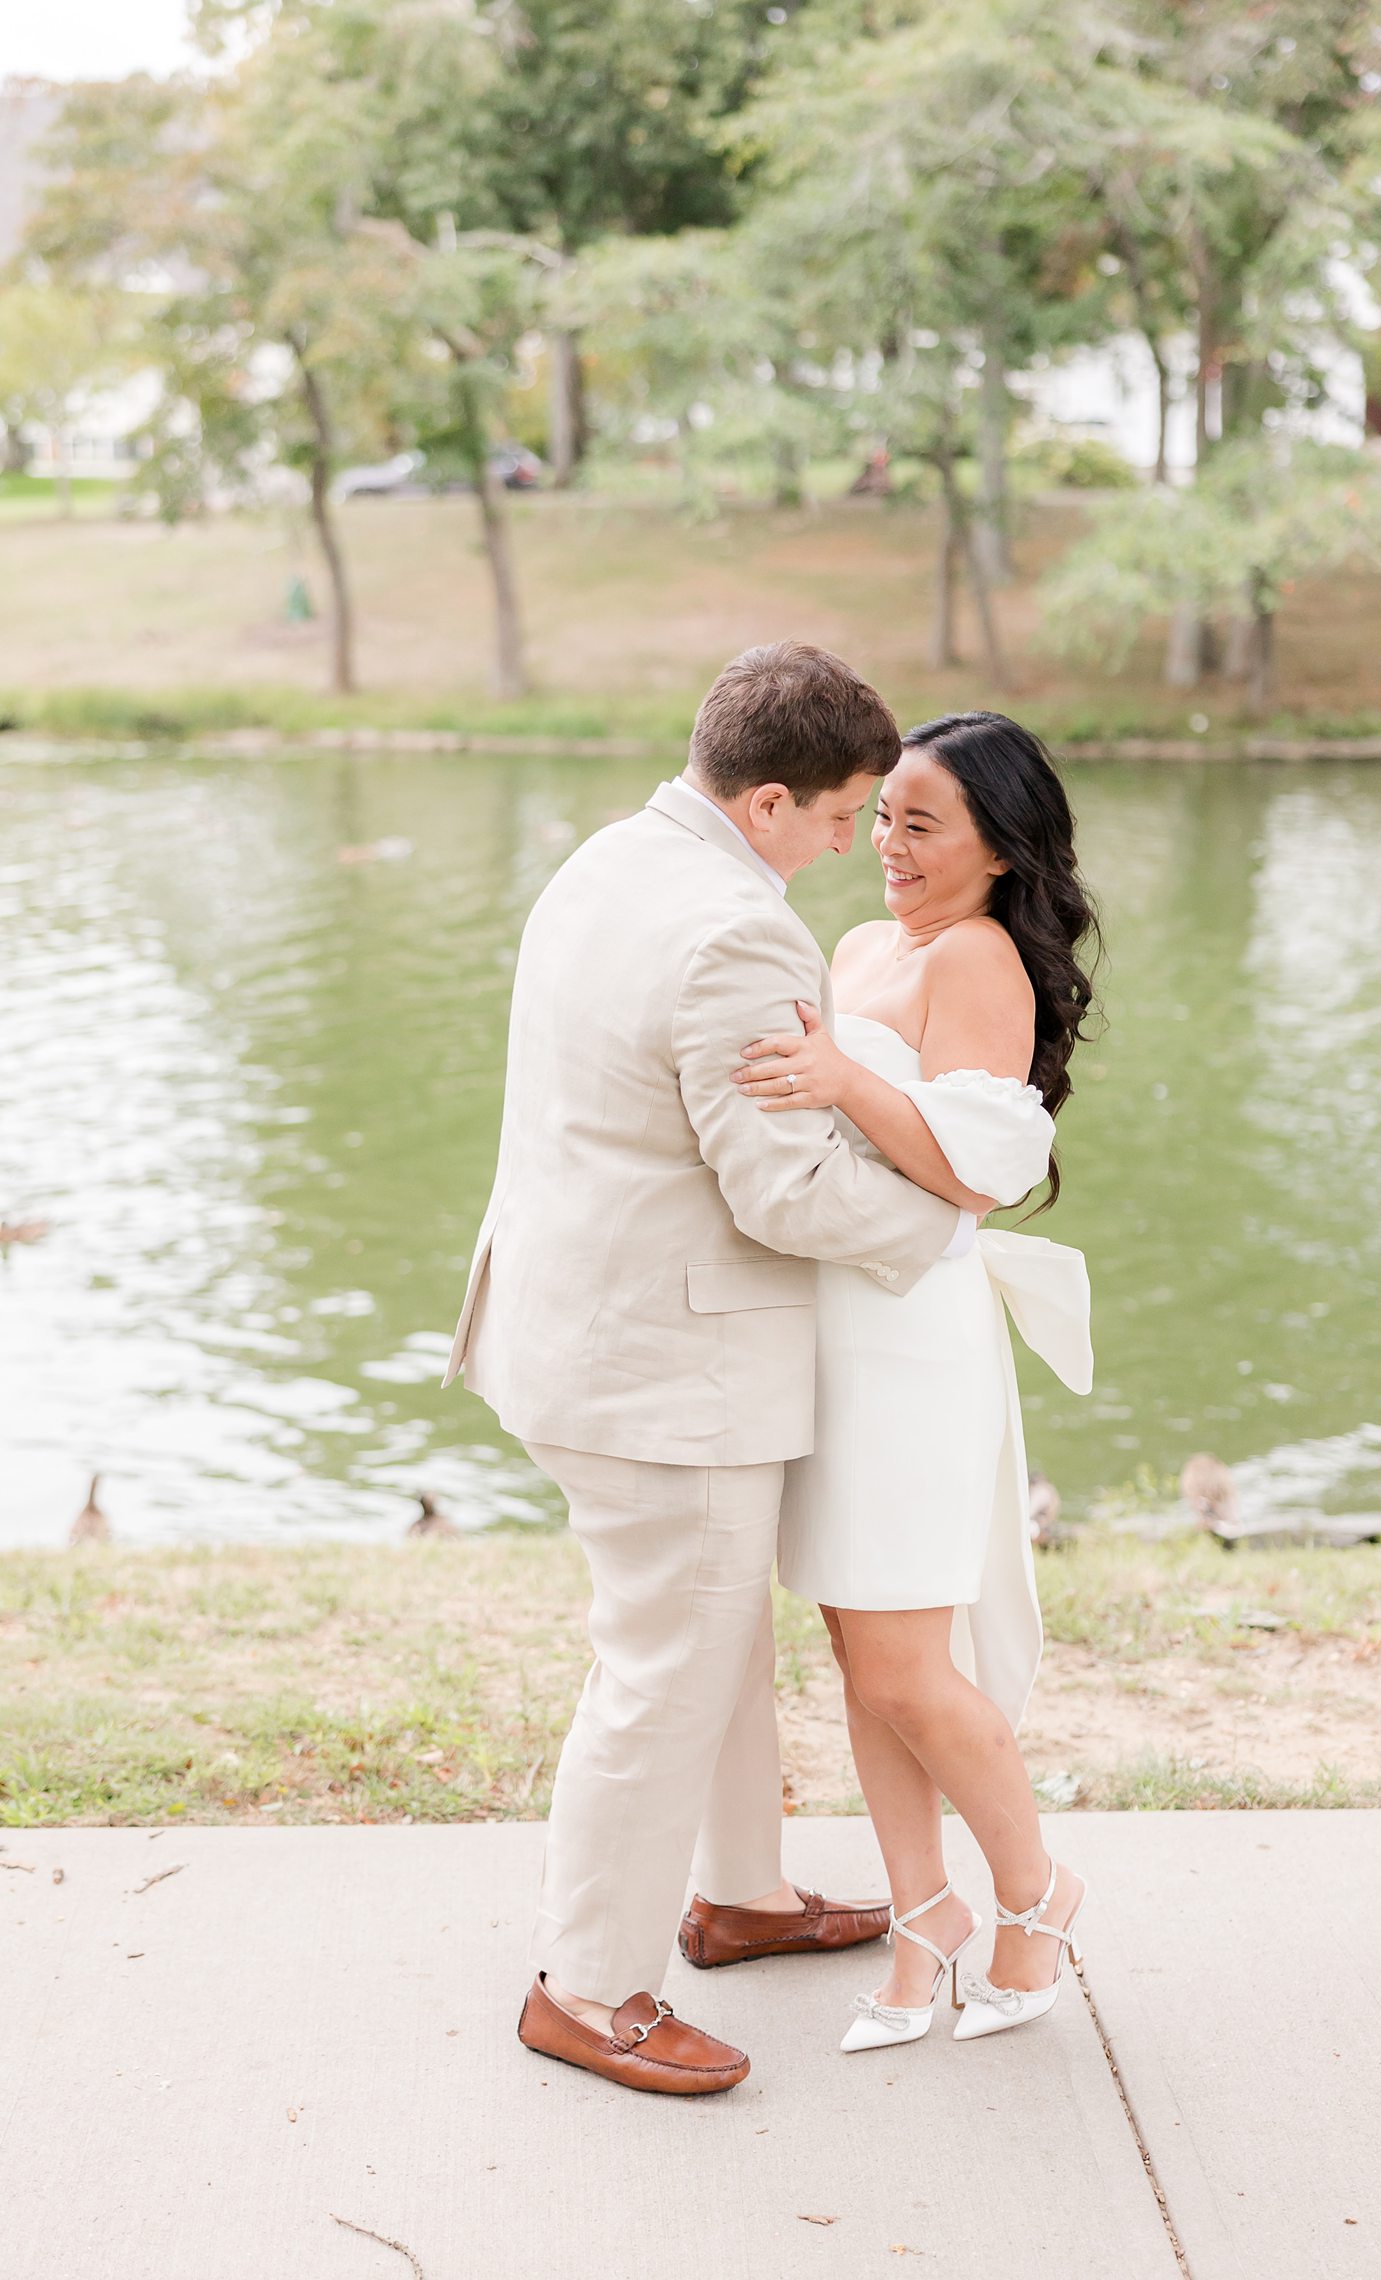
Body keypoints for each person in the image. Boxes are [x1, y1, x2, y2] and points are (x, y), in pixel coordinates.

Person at [443, 643, 976, 2096]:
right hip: (659, 1369)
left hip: (569, 1326)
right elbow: (784, 1194)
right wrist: (951, 1205)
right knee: (663, 1665)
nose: (846, 847)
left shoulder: (611, 859)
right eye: (835, 816)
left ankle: (741, 1893)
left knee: (713, 1635)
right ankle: (590, 1985)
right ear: (766, 801)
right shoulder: (739, 932)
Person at [731, 711, 1100, 2050]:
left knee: (907, 1663)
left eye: (921, 824)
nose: (886, 845)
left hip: (912, 1339)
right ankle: (920, 1912)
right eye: (881, 816)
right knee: (856, 1651)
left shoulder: (981, 959)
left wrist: (837, 1073)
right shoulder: (857, 945)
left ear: (1001, 849)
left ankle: (1034, 1887)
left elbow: (978, 1169)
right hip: (827, 1325)